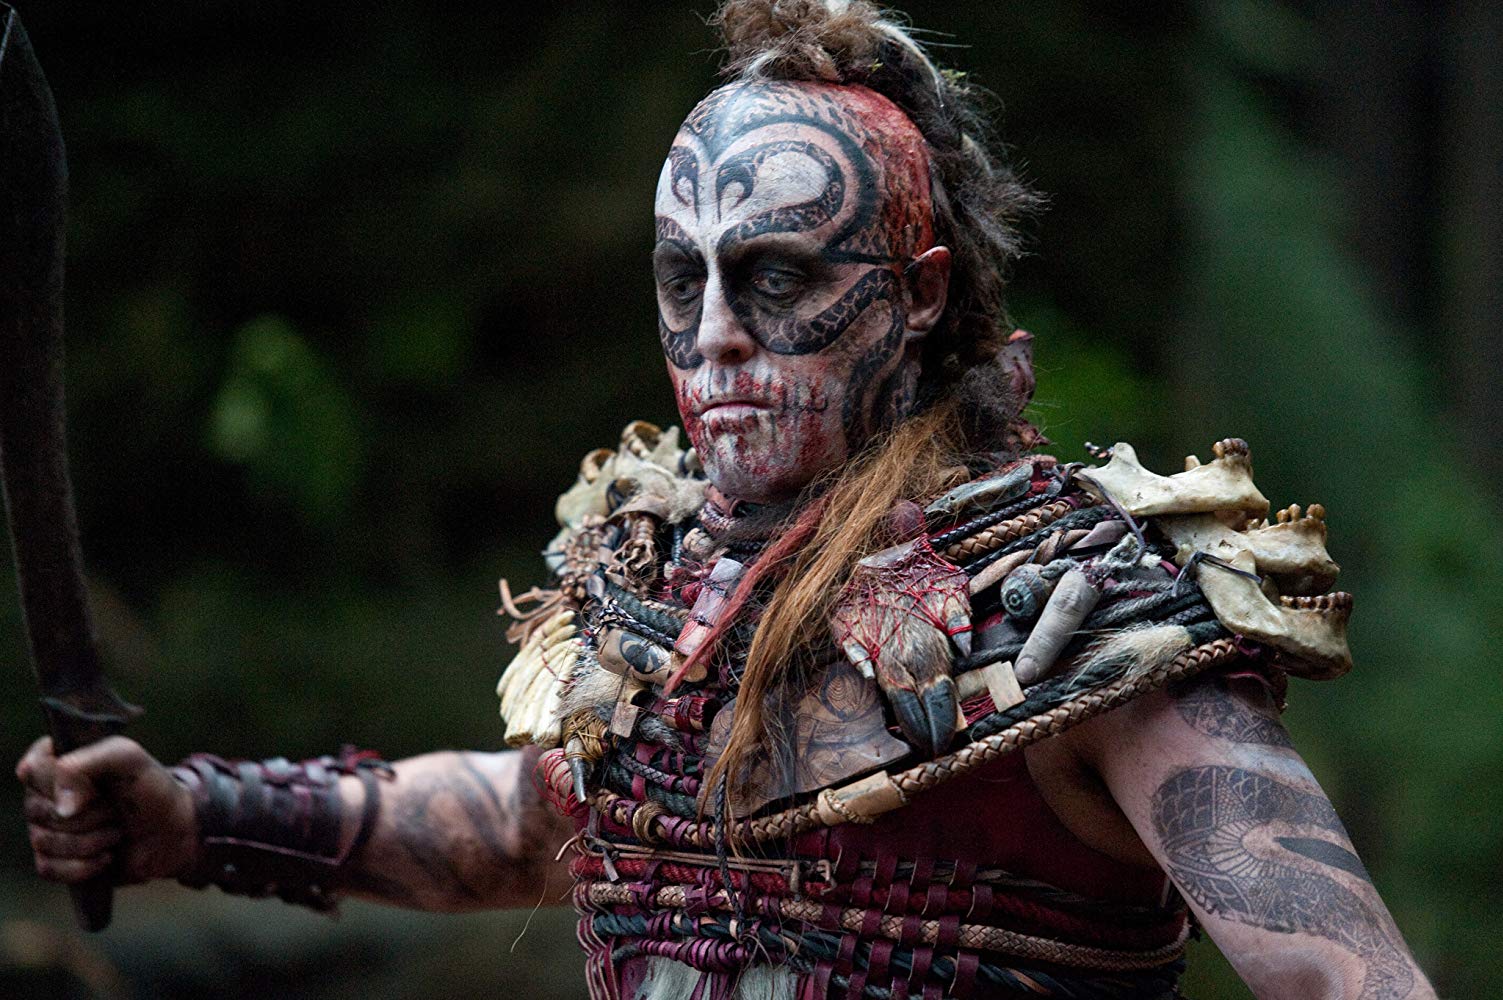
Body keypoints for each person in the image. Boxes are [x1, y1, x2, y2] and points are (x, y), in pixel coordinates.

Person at [17, 2, 1437, 998]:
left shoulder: (1075, 609)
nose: (714, 339)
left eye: (775, 275)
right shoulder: (657, 589)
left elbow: (1341, 977)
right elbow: (530, 824)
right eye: (680, 277)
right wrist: (194, 818)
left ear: (918, 292)